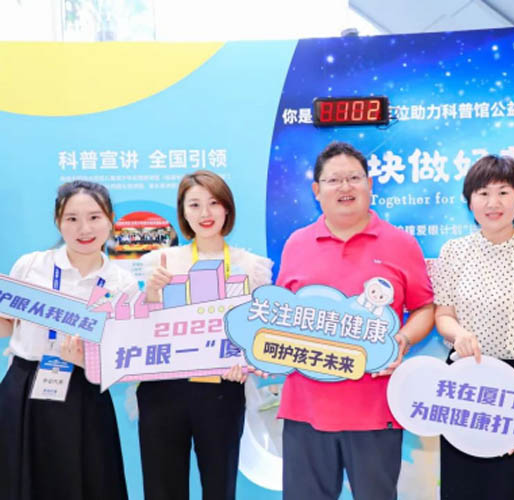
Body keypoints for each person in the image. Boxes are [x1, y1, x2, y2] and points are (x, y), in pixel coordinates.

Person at [276, 141, 435, 500]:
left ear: (370, 184)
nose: (345, 187)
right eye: (334, 180)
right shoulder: (296, 244)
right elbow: (280, 315)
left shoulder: (401, 244)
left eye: (354, 178)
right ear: (317, 190)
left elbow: (425, 308)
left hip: (375, 410)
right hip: (305, 408)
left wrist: (403, 340)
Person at [430, 155, 514, 499]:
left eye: (503, 192)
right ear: (469, 201)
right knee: (462, 486)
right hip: (464, 384)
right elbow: (443, 315)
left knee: (511, 484)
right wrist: (458, 334)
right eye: (483, 193)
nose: (493, 203)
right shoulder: (454, 251)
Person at [0, 180, 138, 500]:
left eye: (94, 217)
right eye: (72, 218)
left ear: (110, 220)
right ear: (58, 222)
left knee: (88, 482)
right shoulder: (31, 265)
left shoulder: (123, 284)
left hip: (85, 392)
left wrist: (89, 360)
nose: (84, 228)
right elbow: (7, 326)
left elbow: (123, 358)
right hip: (25, 387)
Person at [139, 171, 272, 500]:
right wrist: (151, 294)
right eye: (194, 205)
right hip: (163, 389)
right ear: (183, 212)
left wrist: (247, 360)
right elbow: (140, 329)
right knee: (162, 488)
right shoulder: (159, 263)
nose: (205, 213)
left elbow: (260, 332)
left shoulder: (251, 266)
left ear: (227, 208)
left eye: (213, 203)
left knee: (219, 487)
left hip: (222, 389)